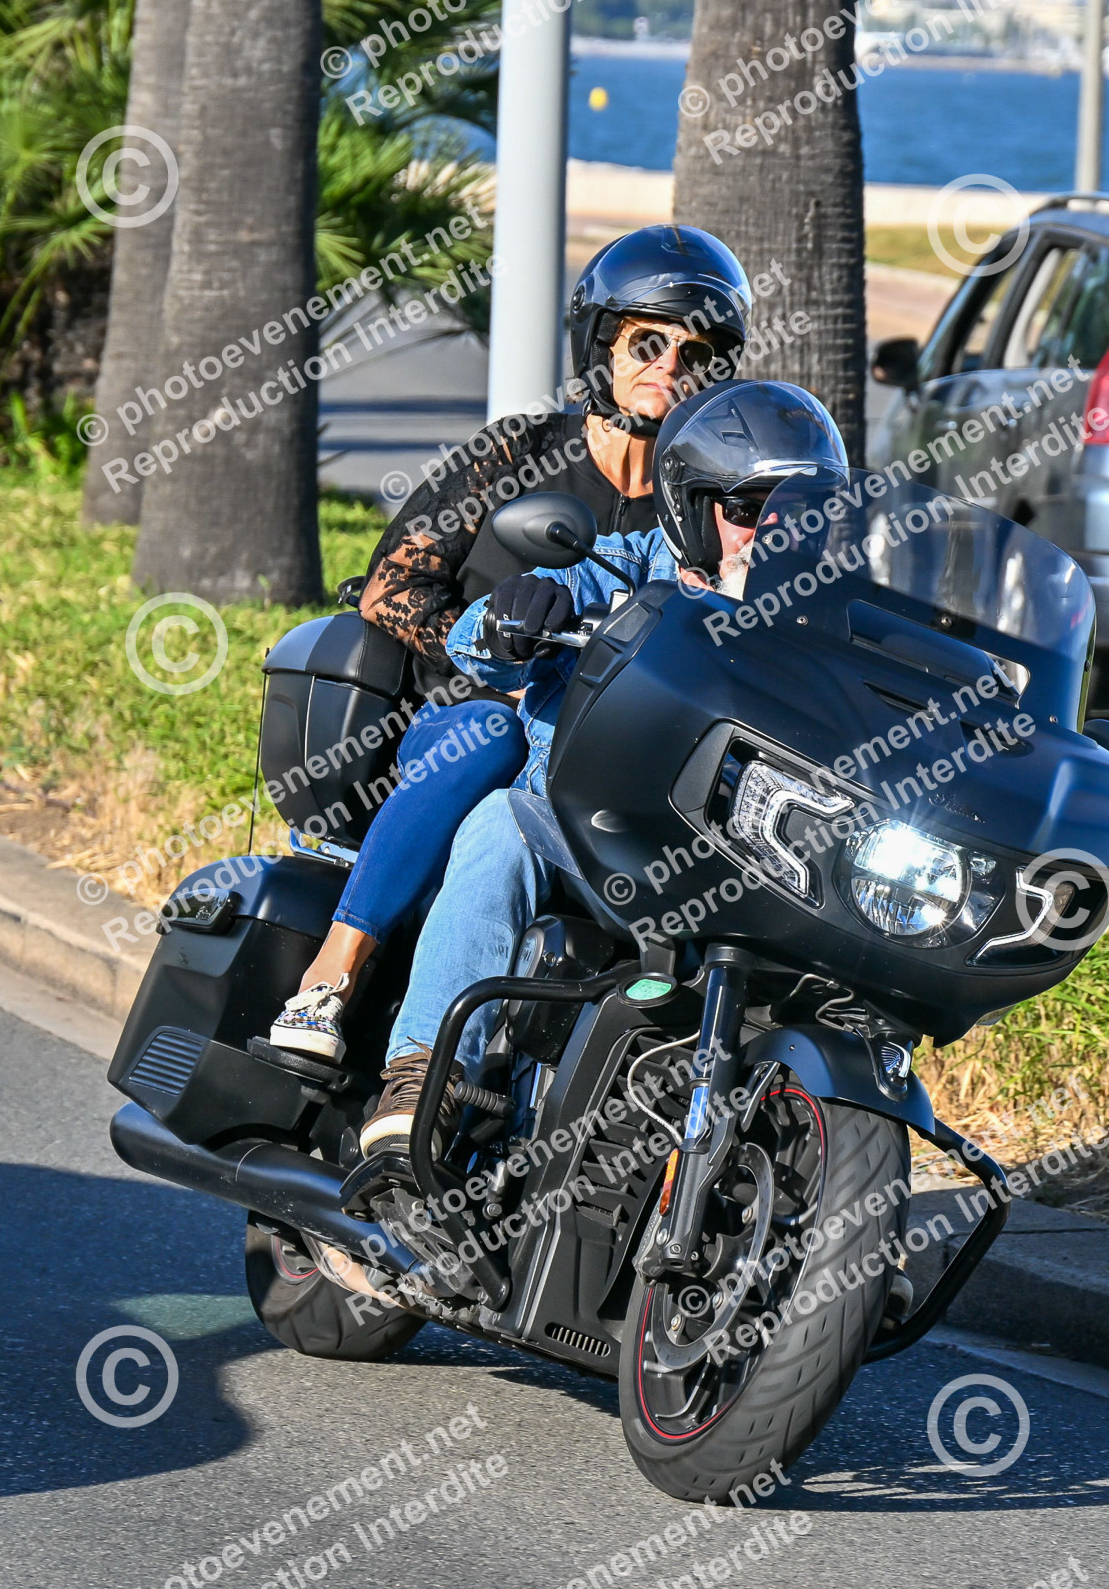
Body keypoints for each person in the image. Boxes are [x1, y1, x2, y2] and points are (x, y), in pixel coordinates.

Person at [268, 225, 752, 1062]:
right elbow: (390, 587)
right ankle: (331, 977)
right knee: (491, 732)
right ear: (601, 346)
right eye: (648, 343)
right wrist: (500, 655)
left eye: (696, 354)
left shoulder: (700, 507)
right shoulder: (518, 453)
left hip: (606, 761)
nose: (669, 366)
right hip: (460, 723)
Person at [359, 380, 849, 1156]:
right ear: (693, 507)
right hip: (602, 848)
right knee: (504, 824)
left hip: (758, 879)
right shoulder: (628, 568)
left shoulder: (836, 619)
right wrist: (514, 614)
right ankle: (427, 1073)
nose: (773, 532)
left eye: (802, 512)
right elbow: (483, 636)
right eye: (749, 508)